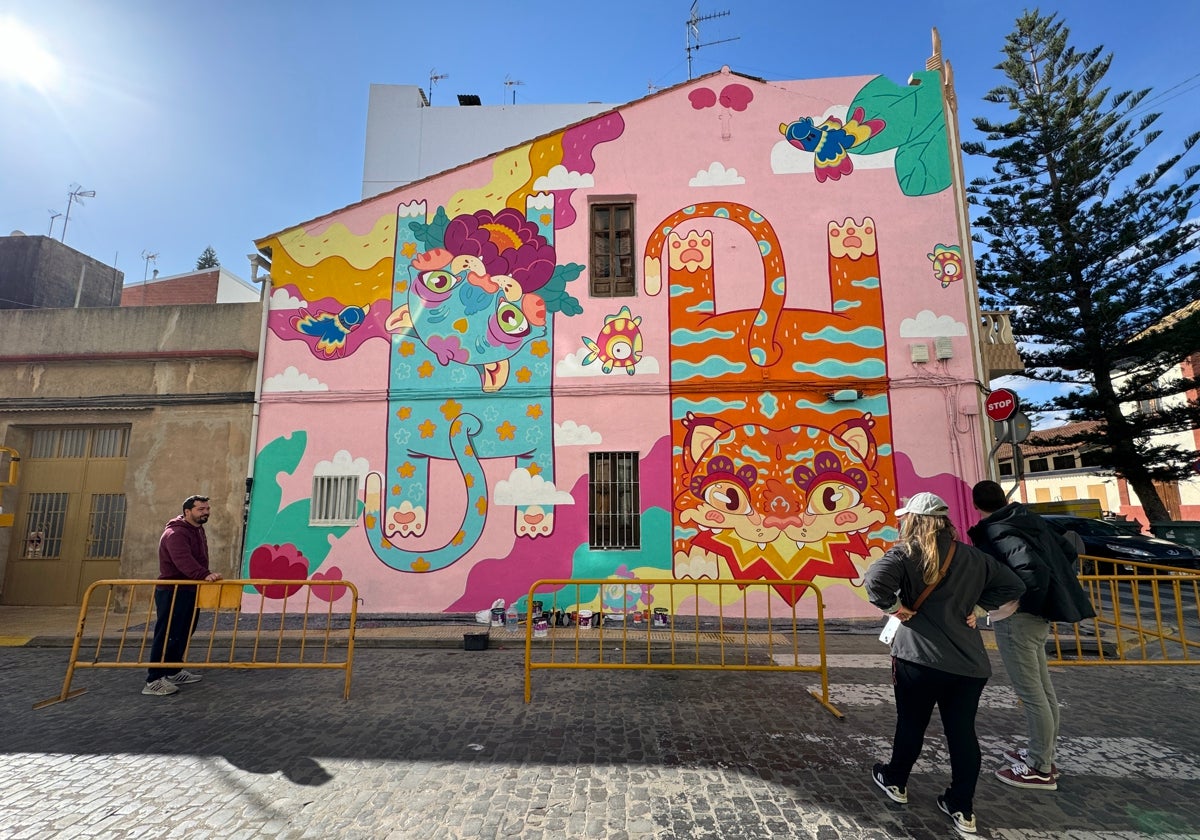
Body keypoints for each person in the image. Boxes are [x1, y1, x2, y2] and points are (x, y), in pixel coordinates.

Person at [866, 491, 1024, 836]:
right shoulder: (972, 557)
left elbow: (874, 580)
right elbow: (1014, 584)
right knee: (962, 733)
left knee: (911, 723)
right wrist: (979, 610)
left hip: (918, 658)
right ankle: (962, 805)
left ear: (912, 520)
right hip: (967, 664)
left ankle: (896, 781)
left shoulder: (906, 554)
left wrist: (895, 609)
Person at [968, 480, 1096, 791]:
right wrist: (1047, 599)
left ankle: (1040, 767)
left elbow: (1027, 571)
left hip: (1017, 618)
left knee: (1031, 693)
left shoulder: (997, 531)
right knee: (1042, 688)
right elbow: (1066, 550)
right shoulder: (1027, 520)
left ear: (976, 505)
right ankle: (1043, 753)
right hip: (1035, 617)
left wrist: (1023, 604)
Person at [143, 495, 222, 696]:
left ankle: (173, 669)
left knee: (184, 631)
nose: (206, 512)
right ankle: (153, 680)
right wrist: (204, 574)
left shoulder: (196, 530)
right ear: (188, 511)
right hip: (172, 590)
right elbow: (183, 560)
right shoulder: (175, 533)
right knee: (167, 633)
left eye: (207, 508)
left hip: (189, 590)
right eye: (201, 509)